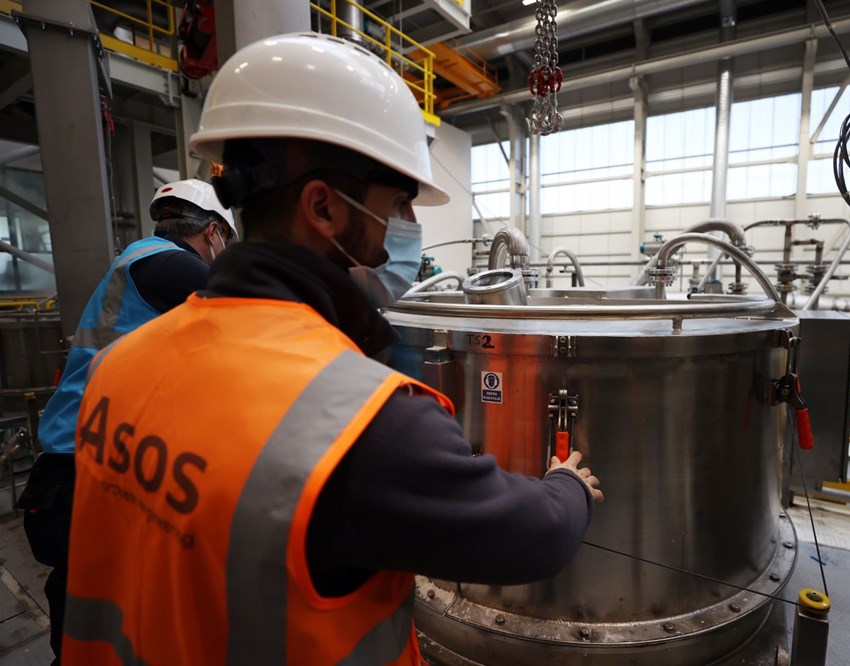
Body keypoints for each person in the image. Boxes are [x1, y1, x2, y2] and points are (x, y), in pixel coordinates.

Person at [62, 33, 603, 665]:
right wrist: (566, 487)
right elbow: (532, 536)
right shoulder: (360, 421)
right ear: (323, 207)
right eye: (399, 204)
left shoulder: (119, 366)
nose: (407, 230)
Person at [16, 179, 236, 664]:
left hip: (85, 454)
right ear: (213, 232)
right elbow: (250, 309)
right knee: (94, 610)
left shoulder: (141, 261)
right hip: (84, 464)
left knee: (96, 605)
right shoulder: (169, 264)